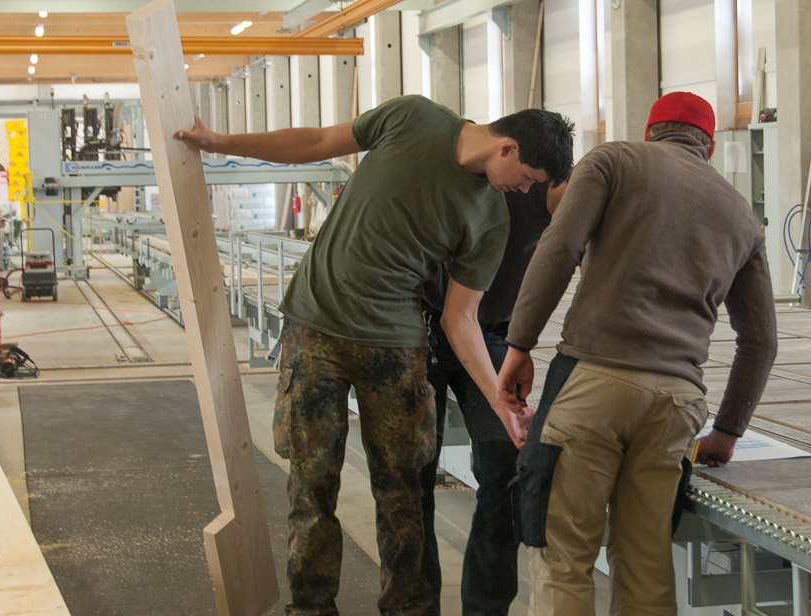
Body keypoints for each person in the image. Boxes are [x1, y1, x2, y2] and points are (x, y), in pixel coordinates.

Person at [175, 94, 573, 616]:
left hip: (397, 345)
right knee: (312, 486)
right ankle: (311, 608)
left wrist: (499, 400)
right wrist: (220, 143)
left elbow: (461, 318)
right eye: (525, 177)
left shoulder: (491, 218)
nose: (524, 191)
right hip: (316, 329)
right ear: (507, 147)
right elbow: (316, 141)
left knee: (403, 494)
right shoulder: (413, 117)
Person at [497, 91, 778, 616]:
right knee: (646, 568)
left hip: (592, 388)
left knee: (562, 558)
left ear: (651, 130)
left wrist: (520, 343)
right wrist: (728, 430)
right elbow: (761, 340)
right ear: (709, 146)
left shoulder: (614, 160)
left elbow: (559, 248)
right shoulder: (742, 213)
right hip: (676, 405)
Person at [419, 174, 569, 616]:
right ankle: (416, 605)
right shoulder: (513, 184)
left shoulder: (576, 209)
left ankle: (485, 609)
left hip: (491, 337)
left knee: (505, 476)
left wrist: (521, 346)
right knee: (414, 481)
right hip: (422, 330)